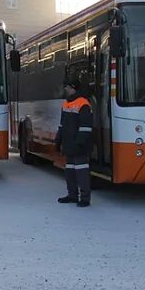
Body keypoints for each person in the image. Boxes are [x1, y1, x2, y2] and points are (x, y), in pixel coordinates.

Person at [54, 78, 93, 207]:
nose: (65, 89)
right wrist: (58, 141)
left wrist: (78, 143)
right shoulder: (66, 104)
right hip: (69, 144)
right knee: (69, 171)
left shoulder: (83, 104)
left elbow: (86, 127)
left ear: (73, 88)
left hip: (79, 146)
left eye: (67, 87)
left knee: (81, 172)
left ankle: (85, 198)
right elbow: (62, 125)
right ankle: (72, 195)